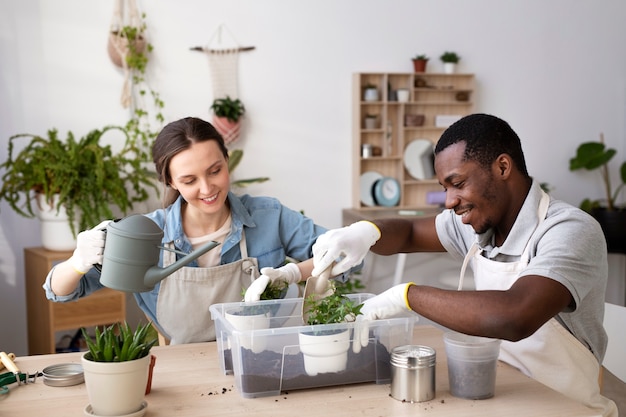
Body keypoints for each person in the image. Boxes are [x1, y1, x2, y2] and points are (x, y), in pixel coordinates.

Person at [312, 113, 617, 416]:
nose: (449, 201)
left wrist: (405, 296)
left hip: (563, 408)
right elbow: (409, 233)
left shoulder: (569, 231)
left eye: (457, 183)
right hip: (498, 394)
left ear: (502, 167)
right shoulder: (479, 226)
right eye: (445, 188)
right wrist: (366, 232)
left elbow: (516, 316)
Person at [44, 116, 327, 344]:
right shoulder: (149, 232)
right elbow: (61, 292)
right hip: (183, 368)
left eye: (215, 171)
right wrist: (78, 262)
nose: (207, 189)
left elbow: (338, 254)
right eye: (190, 180)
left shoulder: (268, 217)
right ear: (170, 181)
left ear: (227, 161)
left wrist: (291, 273)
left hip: (259, 354)